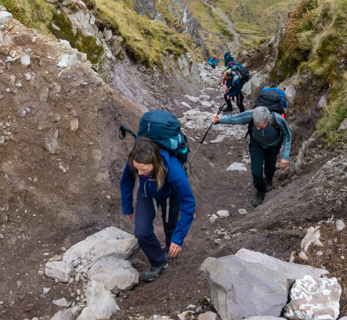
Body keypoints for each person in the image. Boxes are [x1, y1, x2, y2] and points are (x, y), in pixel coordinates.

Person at [120, 137, 196, 282]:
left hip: (170, 195)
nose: (139, 173)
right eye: (137, 169)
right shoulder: (136, 160)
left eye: (143, 169)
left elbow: (189, 202)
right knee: (141, 233)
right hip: (146, 194)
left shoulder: (173, 170)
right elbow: (126, 181)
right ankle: (158, 261)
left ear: (154, 163)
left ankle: (170, 248)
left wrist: (178, 239)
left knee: (170, 226)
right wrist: (127, 206)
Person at [211, 106, 291, 207]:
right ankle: (260, 191)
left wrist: (285, 156)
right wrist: (219, 119)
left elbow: (288, 135)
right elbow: (235, 119)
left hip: (274, 145)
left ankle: (269, 181)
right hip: (256, 144)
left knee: (270, 166)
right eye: (256, 125)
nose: (257, 128)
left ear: (269, 120)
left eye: (261, 126)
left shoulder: (279, 120)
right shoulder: (251, 115)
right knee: (256, 171)